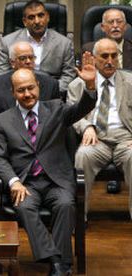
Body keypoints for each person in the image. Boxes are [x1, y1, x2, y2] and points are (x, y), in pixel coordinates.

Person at [0, 64, 97, 275]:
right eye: (21, 90)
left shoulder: (56, 108)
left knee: (66, 204)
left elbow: (82, 108)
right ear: (13, 92)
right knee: (24, 207)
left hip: (56, 180)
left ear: (38, 86)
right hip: (26, 183)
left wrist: (90, 84)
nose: (27, 94)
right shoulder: (2, 121)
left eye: (30, 88)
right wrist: (14, 182)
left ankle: (57, 262)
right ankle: (59, 263)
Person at [68, 38, 132, 219]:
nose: (110, 60)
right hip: (96, 139)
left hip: (126, 138)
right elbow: (72, 114)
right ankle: (80, 218)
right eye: (105, 56)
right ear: (94, 59)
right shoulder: (78, 84)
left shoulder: (130, 81)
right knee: (83, 156)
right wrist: (86, 126)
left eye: (114, 55)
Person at [0, 0, 75, 93]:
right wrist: (19, 90)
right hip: (18, 94)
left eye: (40, 16)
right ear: (25, 21)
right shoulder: (8, 42)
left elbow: (68, 76)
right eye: (31, 17)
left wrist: (49, 91)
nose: (37, 21)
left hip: (51, 95)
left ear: (47, 17)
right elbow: (0, 75)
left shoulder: (64, 43)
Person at [0, 41, 60, 133]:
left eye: (31, 57)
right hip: (9, 136)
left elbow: (57, 113)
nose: (28, 61)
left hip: (42, 136)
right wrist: (8, 128)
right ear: (12, 62)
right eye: (23, 58)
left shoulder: (51, 84)